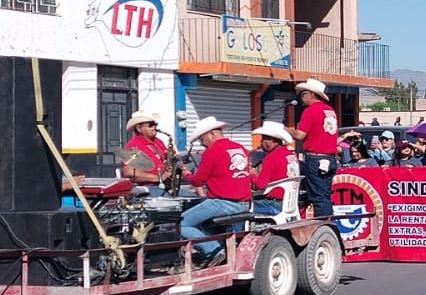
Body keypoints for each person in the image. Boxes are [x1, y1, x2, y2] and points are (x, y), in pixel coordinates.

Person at [179, 117, 255, 265]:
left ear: (211, 134)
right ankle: (218, 247)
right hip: (244, 202)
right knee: (201, 217)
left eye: (202, 138)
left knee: (181, 223)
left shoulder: (213, 151)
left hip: (224, 202)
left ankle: (213, 250)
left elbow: (197, 181)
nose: (202, 143)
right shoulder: (240, 147)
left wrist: (186, 173)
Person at [286, 78, 338, 219]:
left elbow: (299, 135)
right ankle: (327, 223)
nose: (301, 98)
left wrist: (286, 129)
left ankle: (323, 226)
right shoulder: (330, 111)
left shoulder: (311, 111)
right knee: (324, 195)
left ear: (311, 94)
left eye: (303, 94)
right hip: (329, 159)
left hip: (315, 159)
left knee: (318, 197)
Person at [251, 121, 298, 216]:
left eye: (263, 139)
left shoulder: (271, 158)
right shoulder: (291, 155)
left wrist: (251, 174)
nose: (261, 143)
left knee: (240, 207)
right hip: (290, 202)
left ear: (272, 140)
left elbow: (260, 185)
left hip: (273, 204)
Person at [119, 110, 170, 191]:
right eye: (151, 125)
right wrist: (158, 178)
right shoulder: (132, 146)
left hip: (164, 186)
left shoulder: (158, 142)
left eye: (155, 124)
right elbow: (129, 172)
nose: (154, 128)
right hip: (147, 189)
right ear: (139, 128)